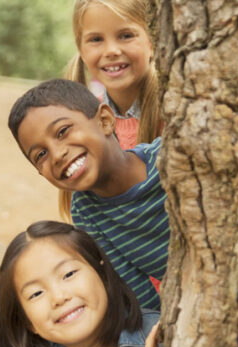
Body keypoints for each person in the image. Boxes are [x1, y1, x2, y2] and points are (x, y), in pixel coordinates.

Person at [8, 79, 168, 311]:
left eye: (62, 131)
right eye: (41, 154)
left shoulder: (168, 158)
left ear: (105, 120)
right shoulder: (86, 213)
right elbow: (140, 300)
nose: (57, 154)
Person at [0, 220, 163, 347]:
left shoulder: (162, 332)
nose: (59, 297)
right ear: (27, 321)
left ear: (102, 274)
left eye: (68, 274)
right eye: (36, 293)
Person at [60, 0, 163, 222]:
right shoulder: (85, 123)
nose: (112, 51)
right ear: (81, 50)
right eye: (96, 39)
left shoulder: (174, 111)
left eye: (126, 35)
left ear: (153, 40)